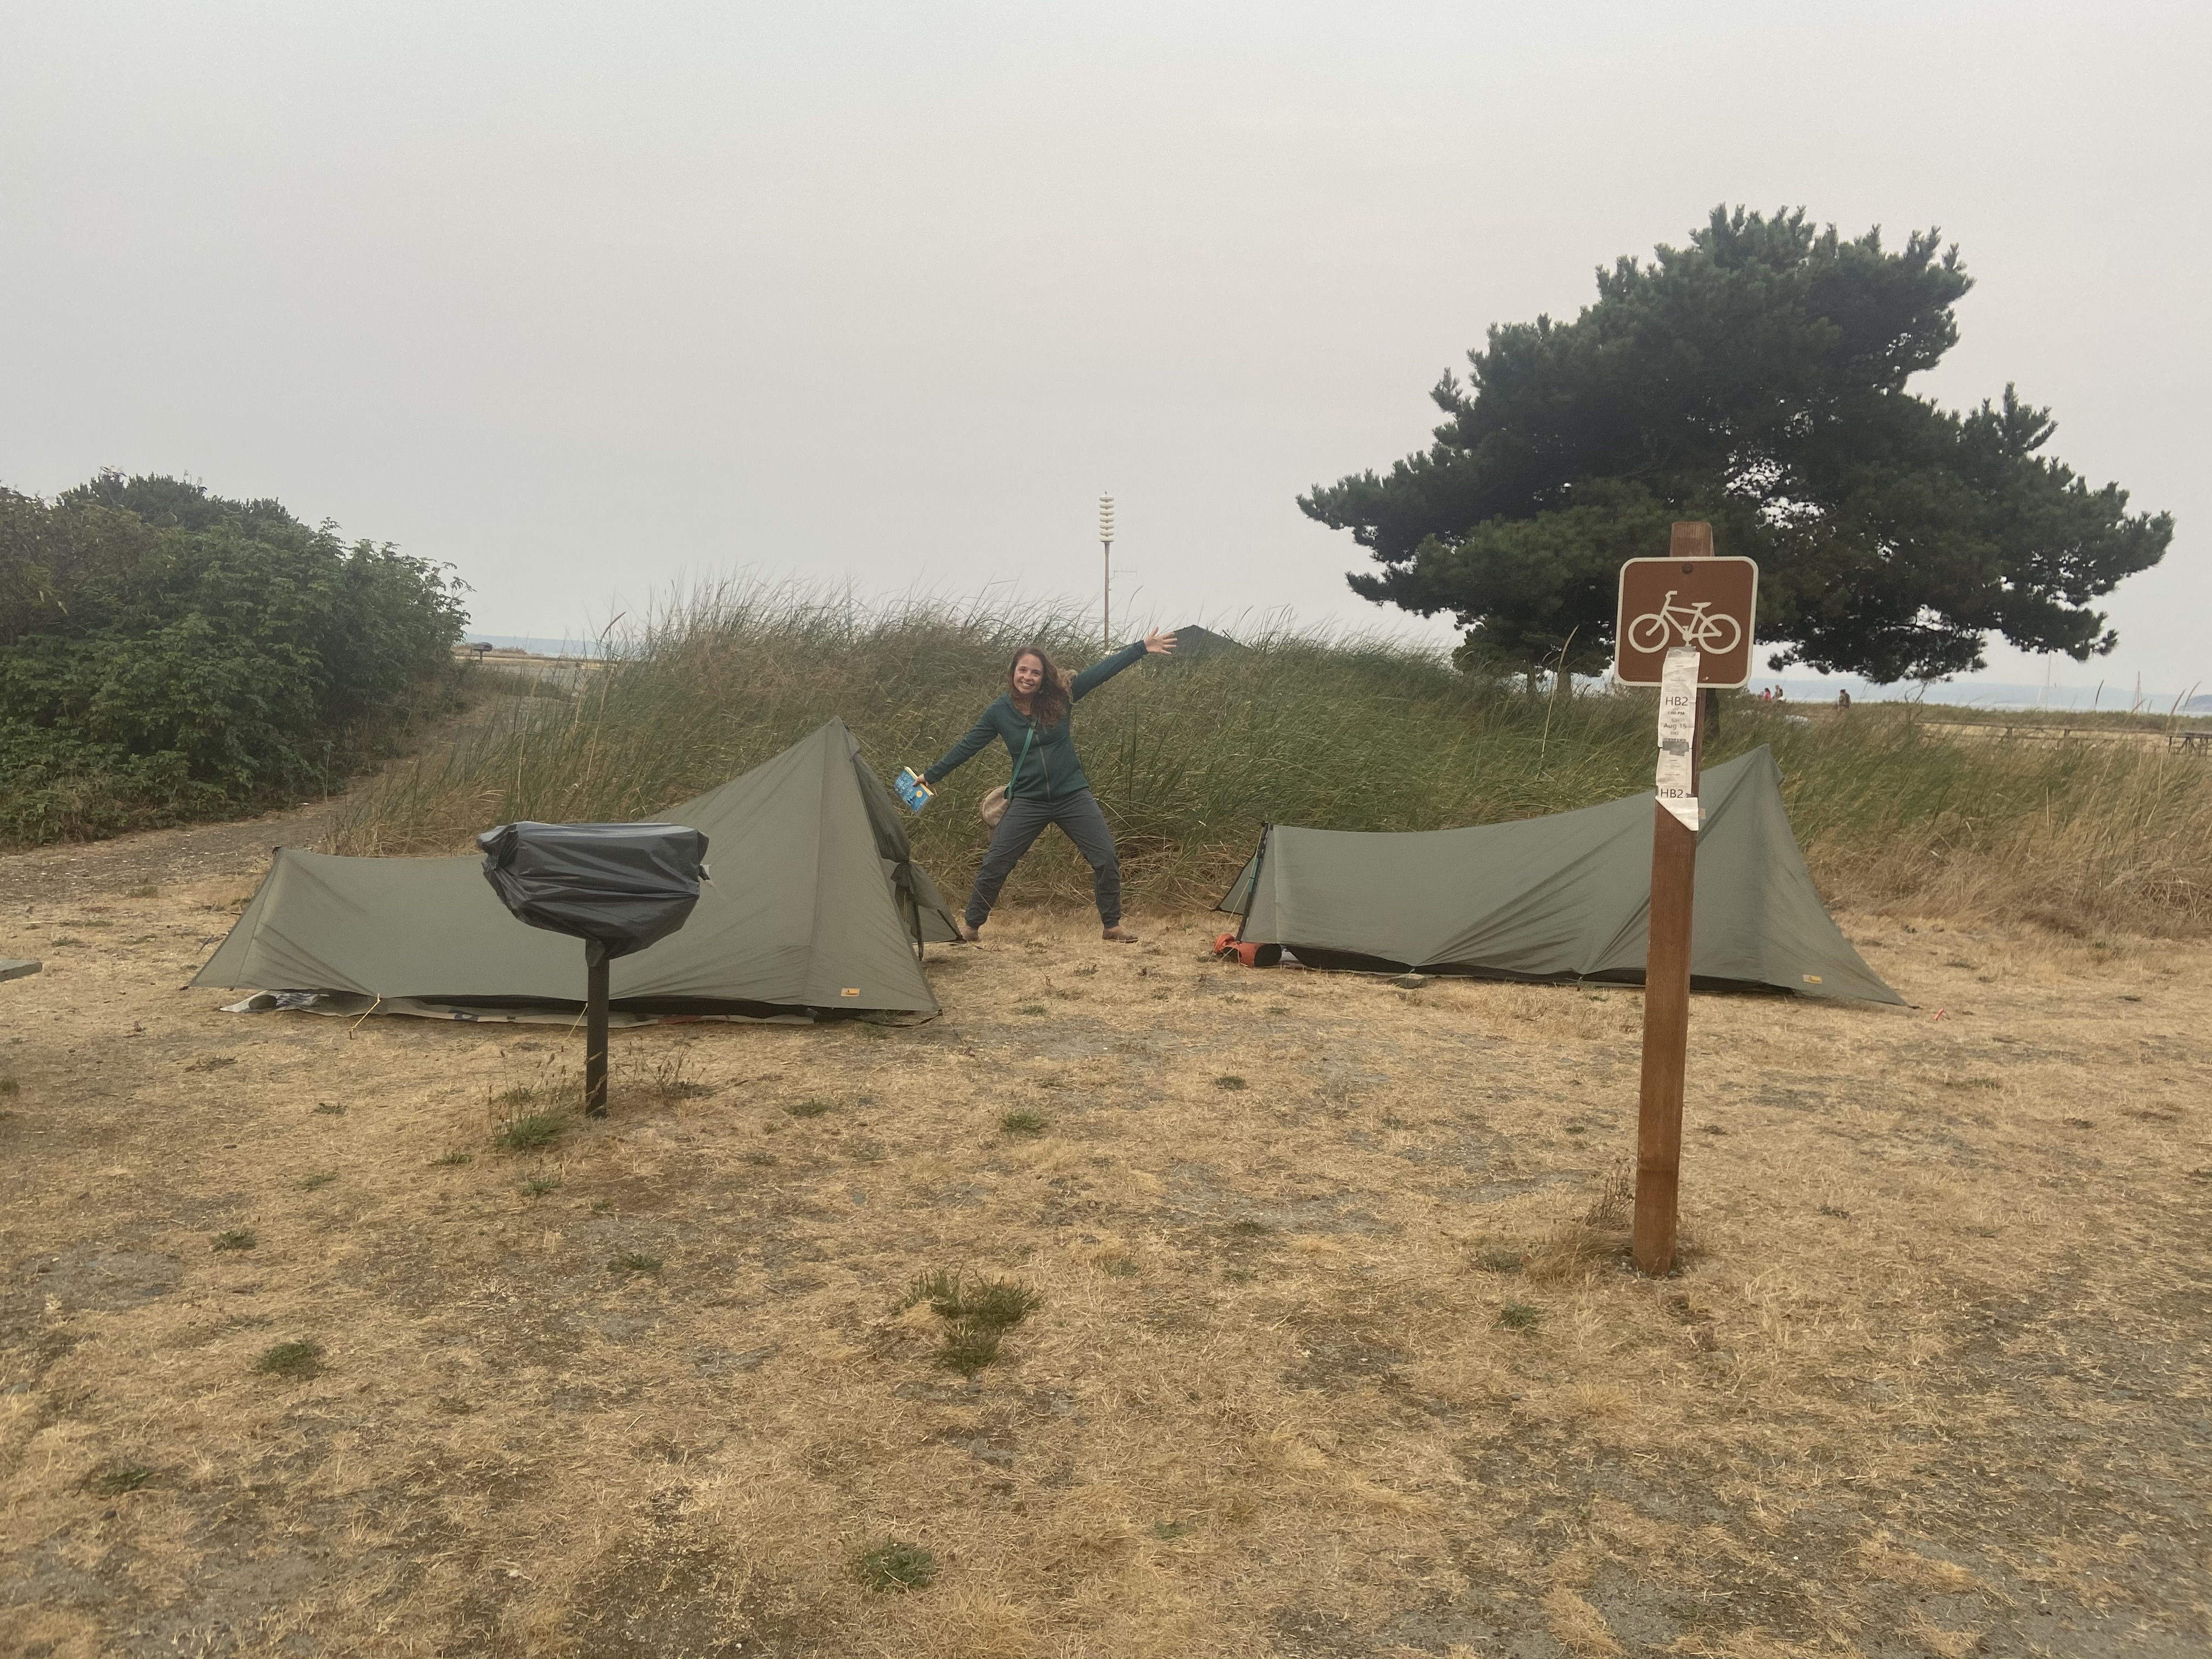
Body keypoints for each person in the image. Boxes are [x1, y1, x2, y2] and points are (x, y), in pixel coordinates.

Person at [916, 631, 1176, 943]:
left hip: (1073, 796)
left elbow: (1102, 672)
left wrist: (1141, 648)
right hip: (1029, 800)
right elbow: (968, 745)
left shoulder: (1062, 697)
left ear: (1043, 678)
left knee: (1105, 857)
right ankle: (971, 927)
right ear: (1013, 672)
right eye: (1023, 670)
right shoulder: (999, 711)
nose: (1027, 677)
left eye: (1035, 673)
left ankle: (1112, 926)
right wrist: (931, 775)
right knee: (996, 863)